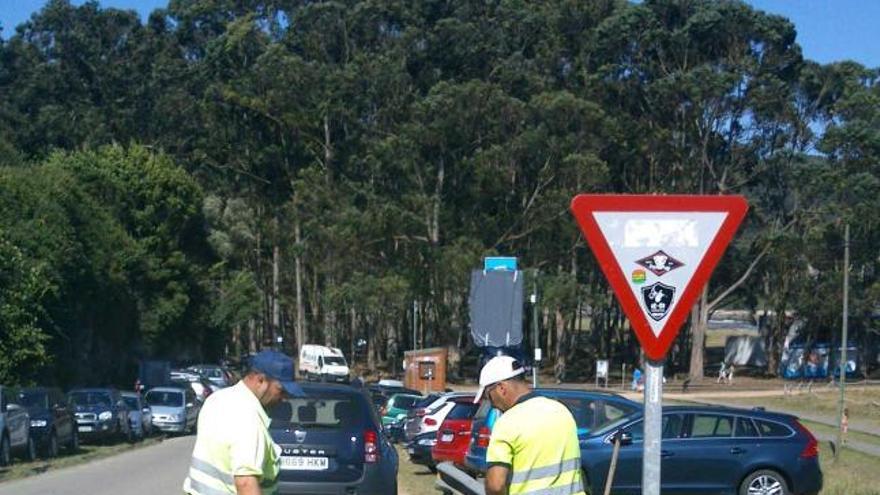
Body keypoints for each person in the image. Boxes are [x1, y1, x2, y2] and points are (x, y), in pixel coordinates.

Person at [183, 350, 304, 495]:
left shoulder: (217, 399)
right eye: (281, 390)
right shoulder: (249, 420)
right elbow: (246, 483)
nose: (284, 398)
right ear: (261, 380)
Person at [474, 356, 585, 495]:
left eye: (488, 396)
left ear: (501, 388)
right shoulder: (561, 411)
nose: (491, 403)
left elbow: (496, 485)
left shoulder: (507, 423)